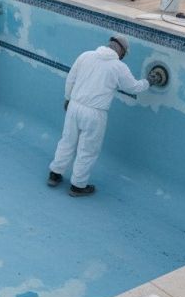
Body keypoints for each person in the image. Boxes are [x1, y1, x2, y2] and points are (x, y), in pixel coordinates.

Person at [47, 35, 158, 196]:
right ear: (122, 52)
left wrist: (68, 98)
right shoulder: (118, 67)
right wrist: (148, 81)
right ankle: (78, 186)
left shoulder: (86, 55)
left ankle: (55, 174)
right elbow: (133, 87)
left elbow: (71, 78)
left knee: (67, 141)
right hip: (95, 113)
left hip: (74, 106)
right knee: (88, 149)